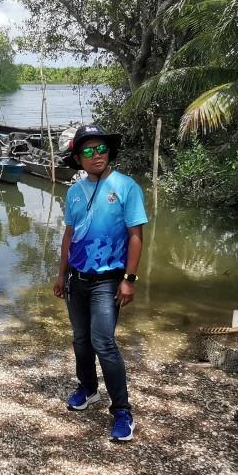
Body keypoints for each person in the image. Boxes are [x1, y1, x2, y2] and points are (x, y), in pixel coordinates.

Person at [52, 124, 148, 442]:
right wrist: (60, 273)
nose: (97, 155)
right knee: (80, 341)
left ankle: (122, 411)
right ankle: (88, 388)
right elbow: (69, 235)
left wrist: (129, 280)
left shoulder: (126, 186)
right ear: (78, 158)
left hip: (108, 281)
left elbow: (136, 237)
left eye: (101, 149)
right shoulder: (74, 191)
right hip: (76, 280)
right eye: (89, 151)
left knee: (104, 342)